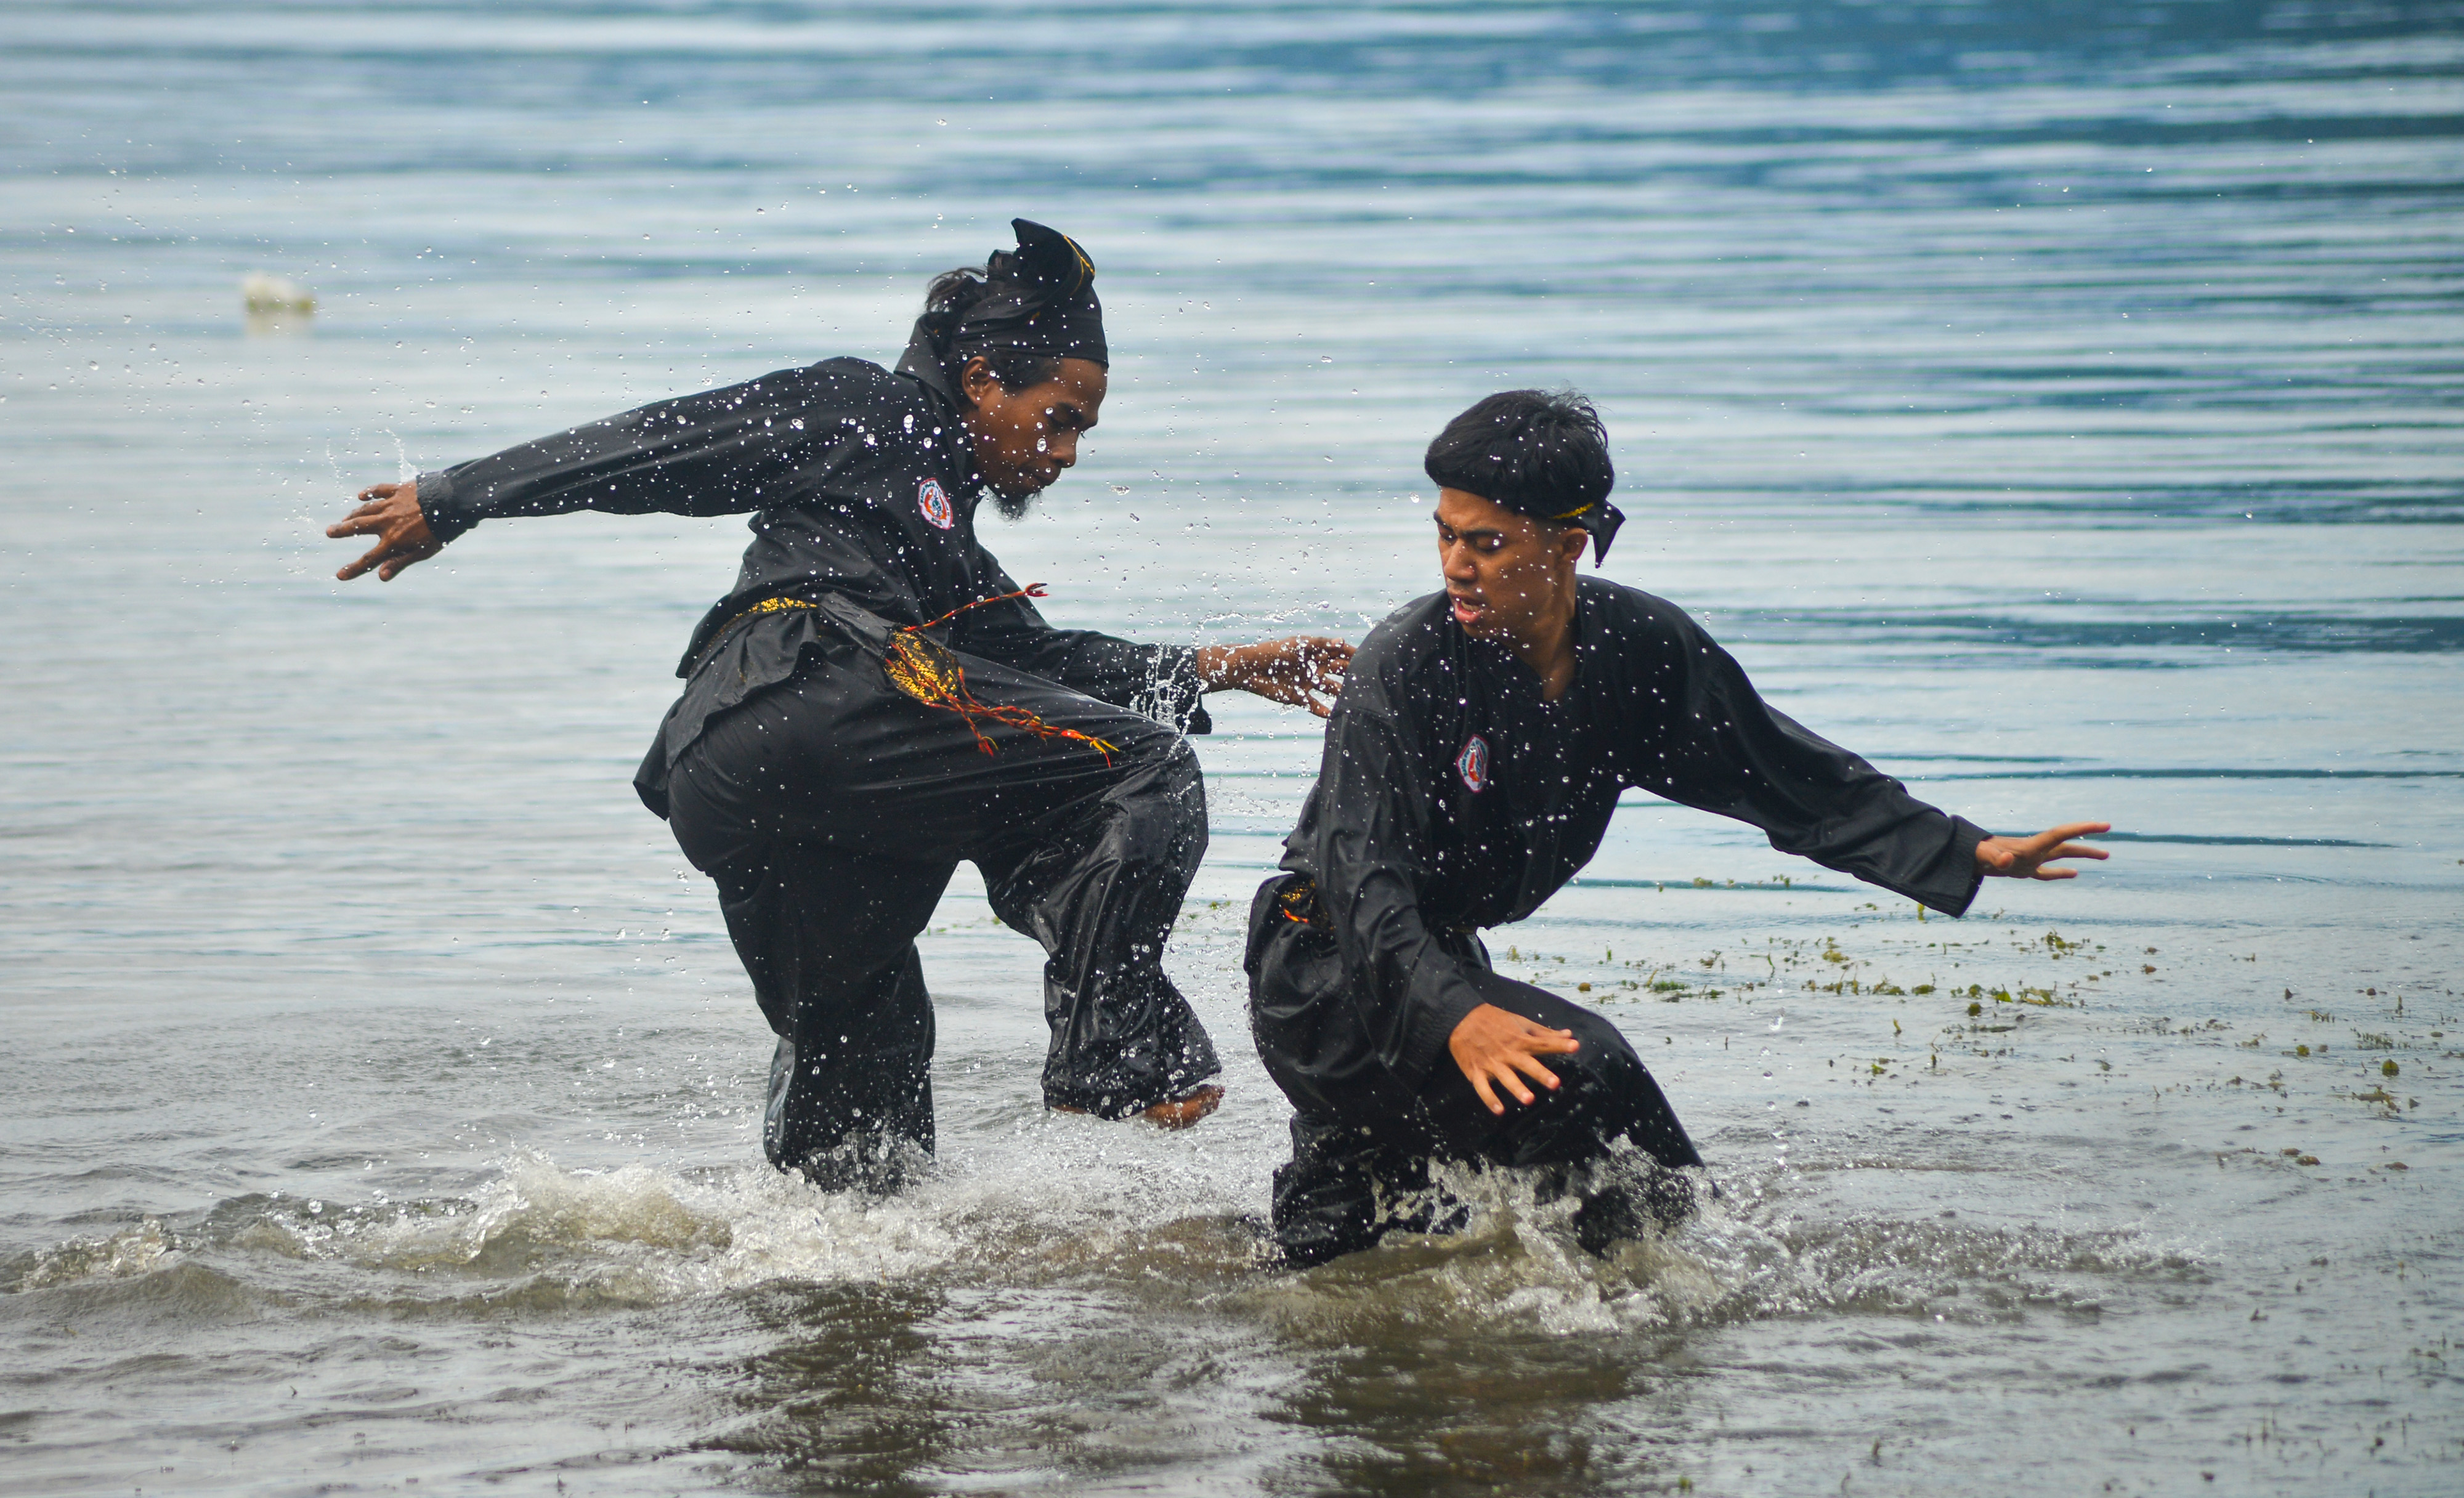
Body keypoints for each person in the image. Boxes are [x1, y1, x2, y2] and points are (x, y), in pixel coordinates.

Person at [327, 219, 1352, 1190]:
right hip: (810, 688)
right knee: (1145, 771)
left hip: (731, 773)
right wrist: (457, 498)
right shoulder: (866, 405)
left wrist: (1218, 665)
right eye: (1061, 419)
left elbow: (1036, 659)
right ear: (982, 380)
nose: (1069, 453)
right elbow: (662, 443)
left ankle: (823, 1268)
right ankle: (1111, 1058)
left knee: (867, 1044)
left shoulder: (939, 541)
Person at [1244, 389, 2108, 1266]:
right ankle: (1676, 1292)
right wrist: (1458, 1017)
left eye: (1488, 543)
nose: (1457, 567)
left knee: (1348, 1254)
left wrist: (1962, 848)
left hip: (1436, 966)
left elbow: (1781, 772)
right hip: (1330, 976)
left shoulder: (1636, 651)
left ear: (1568, 543)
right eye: (1445, 536)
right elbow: (1361, 880)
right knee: (1588, 1078)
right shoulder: (1403, 668)